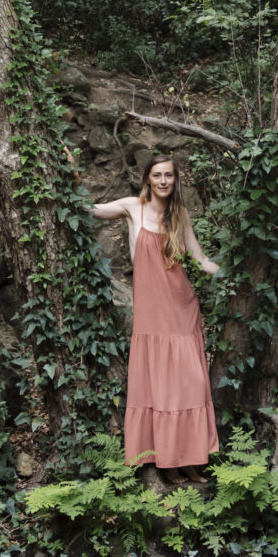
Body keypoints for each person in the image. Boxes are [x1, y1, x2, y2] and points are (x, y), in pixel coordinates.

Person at [93, 154, 219, 484]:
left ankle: (191, 460)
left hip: (182, 310)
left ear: (175, 180)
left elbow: (200, 258)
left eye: (169, 176)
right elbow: (92, 210)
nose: (163, 181)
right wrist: (69, 176)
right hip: (151, 316)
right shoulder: (133, 207)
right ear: (147, 179)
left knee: (190, 384)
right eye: (157, 175)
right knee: (162, 389)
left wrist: (233, 276)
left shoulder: (180, 215)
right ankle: (168, 463)